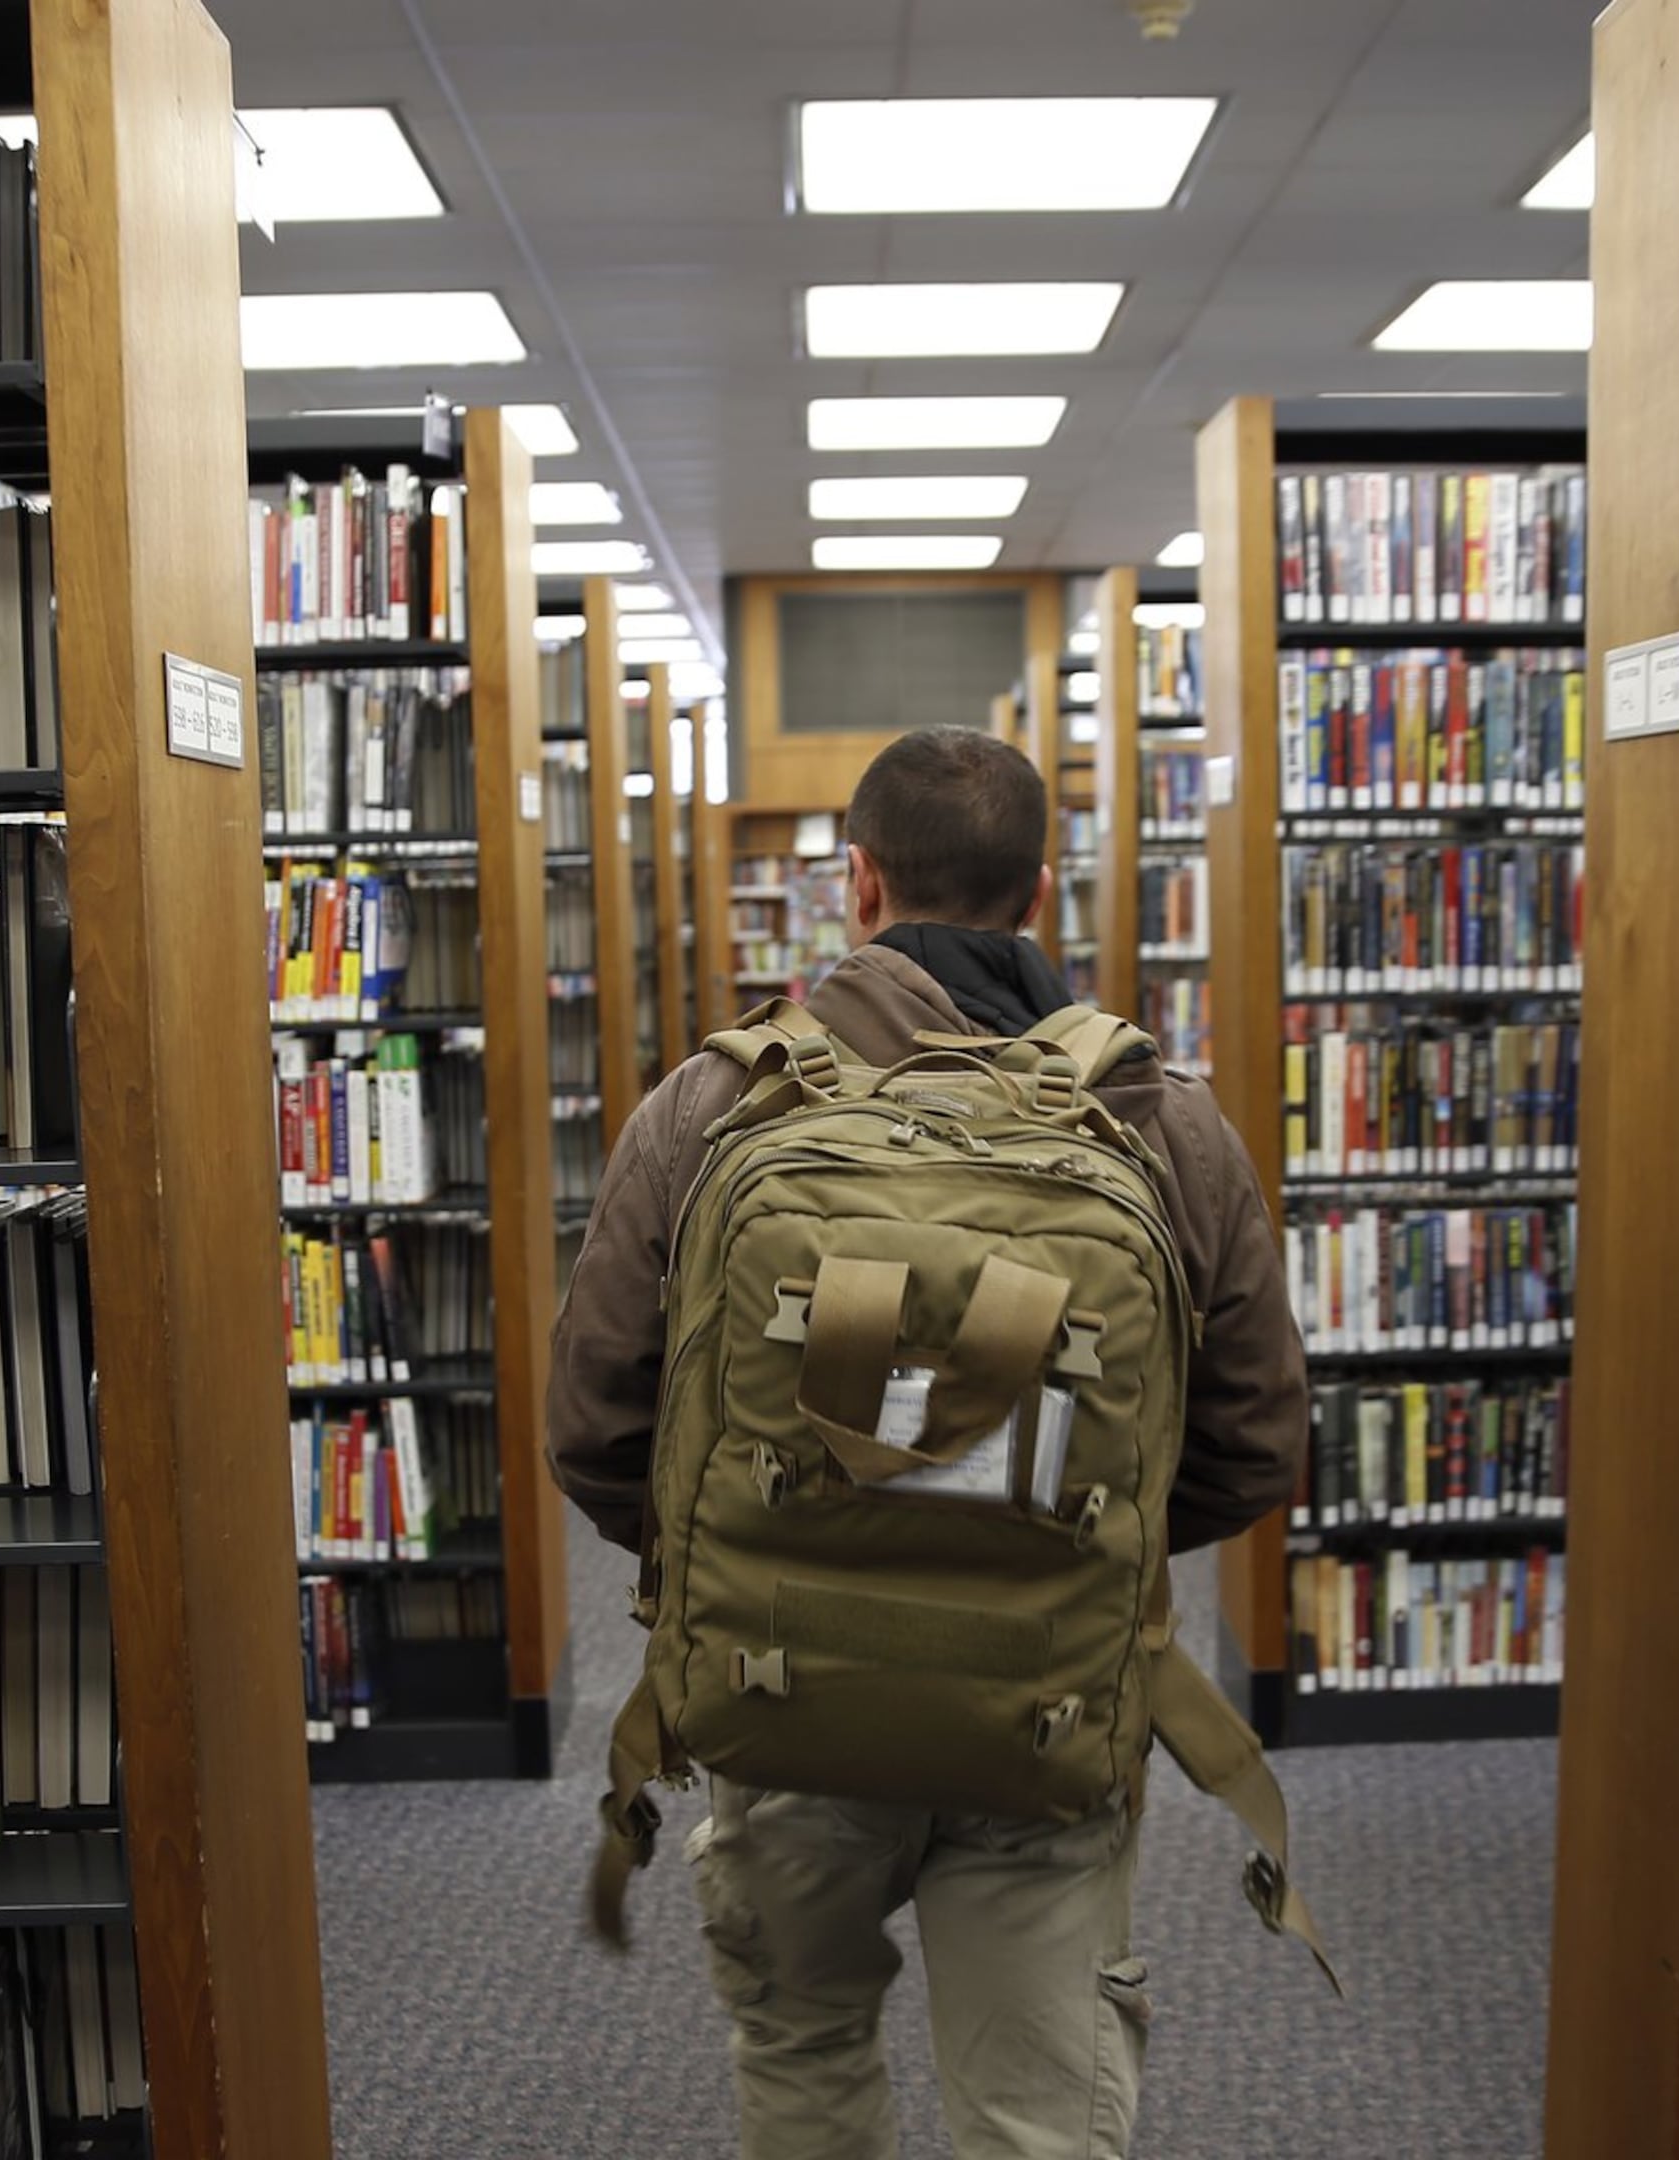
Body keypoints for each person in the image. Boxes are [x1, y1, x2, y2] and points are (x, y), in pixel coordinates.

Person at [549, 725, 1307, 2160]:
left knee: (806, 2051)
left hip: (783, 1690)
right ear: (1041, 895)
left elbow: (595, 1425)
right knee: (1039, 2114)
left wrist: (763, 1544)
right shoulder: (1167, 1123)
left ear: (857, 883)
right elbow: (1256, 1446)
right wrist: (1060, 1540)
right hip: (1052, 1702)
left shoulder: (710, 1104)